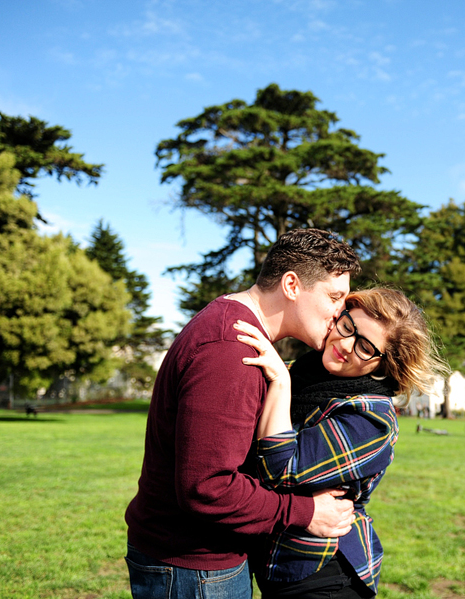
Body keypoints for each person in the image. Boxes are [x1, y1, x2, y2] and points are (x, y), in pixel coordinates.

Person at [124, 229, 361, 599]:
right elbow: (208, 488)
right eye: (334, 297)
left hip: (190, 562)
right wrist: (305, 512)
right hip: (193, 567)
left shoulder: (236, 331)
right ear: (292, 285)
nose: (339, 312)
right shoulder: (231, 350)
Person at [234, 288, 448, 599]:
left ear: (383, 364)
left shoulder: (372, 420)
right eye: (348, 327)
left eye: (365, 348)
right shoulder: (305, 372)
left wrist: (280, 383)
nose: (345, 345)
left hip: (322, 574)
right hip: (274, 564)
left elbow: (281, 468)